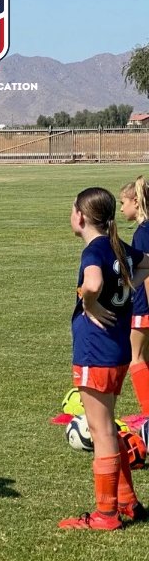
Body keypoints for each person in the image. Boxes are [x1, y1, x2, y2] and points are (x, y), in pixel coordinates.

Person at [60, 187, 149, 529]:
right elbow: (146, 264)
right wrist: (123, 289)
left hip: (96, 349)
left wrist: (90, 303)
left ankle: (106, 514)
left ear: (80, 217)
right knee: (107, 426)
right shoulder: (117, 246)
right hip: (116, 350)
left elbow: (93, 283)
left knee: (101, 432)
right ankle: (128, 503)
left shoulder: (95, 251)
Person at [120, 176, 149, 413]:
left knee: (136, 357)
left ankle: (147, 413)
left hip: (144, 307)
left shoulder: (143, 233)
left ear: (136, 202)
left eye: (123, 202)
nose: (121, 208)